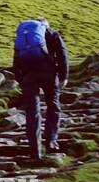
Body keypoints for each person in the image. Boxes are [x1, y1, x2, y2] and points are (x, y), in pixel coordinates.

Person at [11, 17, 69, 161]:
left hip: (29, 76)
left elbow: (16, 58)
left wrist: (20, 78)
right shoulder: (51, 33)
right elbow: (62, 53)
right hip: (49, 73)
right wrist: (63, 76)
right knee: (53, 105)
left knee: (32, 111)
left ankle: (35, 149)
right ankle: (51, 142)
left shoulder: (23, 36)